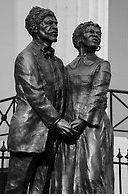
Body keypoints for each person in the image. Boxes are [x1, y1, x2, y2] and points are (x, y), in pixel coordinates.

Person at [5, 6, 73, 194]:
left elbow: (63, 95)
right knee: (16, 187)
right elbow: (35, 94)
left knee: (41, 187)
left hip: (51, 135)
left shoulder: (58, 63)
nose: (55, 27)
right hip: (28, 132)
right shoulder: (25, 57)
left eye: (56, 23)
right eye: (49, 23)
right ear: (35, 27)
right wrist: (57, 121)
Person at [49, 21, 114, 194]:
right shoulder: (66, 68)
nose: (96, 35)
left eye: (98, 33)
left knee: (93, 176)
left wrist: (84, 120)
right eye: (90, 31)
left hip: (93, 126)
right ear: (79, 38)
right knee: (66, 178)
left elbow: (98, 93)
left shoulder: (102, 64)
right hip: (69, 127)